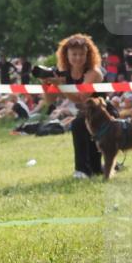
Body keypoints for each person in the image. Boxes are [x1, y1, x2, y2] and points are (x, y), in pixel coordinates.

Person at [42, 34, 105, 179]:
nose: (78, 57)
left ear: (88, 55)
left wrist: (62, 86)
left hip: (102, 112)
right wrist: (46, 84)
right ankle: (92, 168)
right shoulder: (64, 74)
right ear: (66, 55)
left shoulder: (93, 72)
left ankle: (81, 170)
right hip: (86, 114)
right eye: (74, 54)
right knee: (96, 169)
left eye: (82, 54)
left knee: (77, 123)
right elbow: (50, 100)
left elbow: (82, 99)